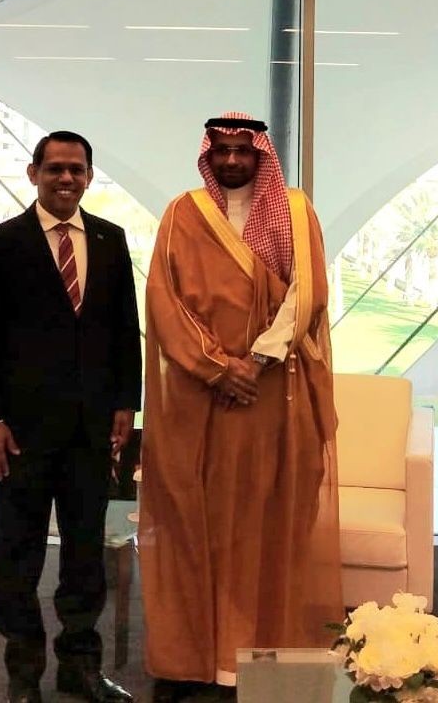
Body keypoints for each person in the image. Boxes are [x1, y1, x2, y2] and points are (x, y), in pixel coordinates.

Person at [139, 112, 343, 701]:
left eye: (242, 150)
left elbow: (308, 293)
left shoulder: (296, 211)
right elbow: (164, 299)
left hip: (274, 393)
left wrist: (255, 361)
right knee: (198, 521)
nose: (232, 160)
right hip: (200, 397)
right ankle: (196, 658)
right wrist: (216, 367)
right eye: (222, 150)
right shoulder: (183, 213)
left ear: (261, 155)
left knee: (270, 518)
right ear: (209, 154)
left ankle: (260, 654)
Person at [0, 130, 142, 703]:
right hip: (19, 433)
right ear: (33, 172)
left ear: (89, 176)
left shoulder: (110, 239)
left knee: (86, 554)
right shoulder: (0, 243)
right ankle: (23, 673)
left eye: (77, 169)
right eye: (55, 168)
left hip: (92, 430)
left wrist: (126, 404)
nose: (66, 178)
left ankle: (80, 666)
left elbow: (125, 329)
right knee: (18, 554)